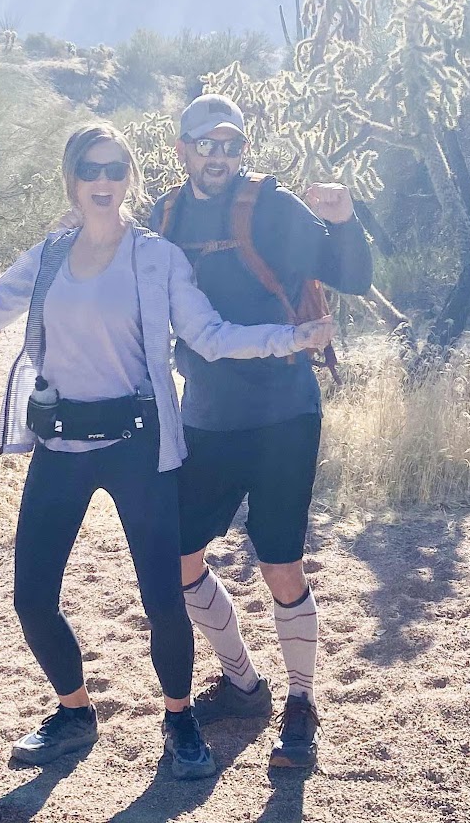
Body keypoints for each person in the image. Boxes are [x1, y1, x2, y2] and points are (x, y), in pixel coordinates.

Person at [0, 122, 333, 782]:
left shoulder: (156, 258)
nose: (103, 181)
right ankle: (75, 711)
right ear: (72, 180)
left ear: (130, 177)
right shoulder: (49, 255)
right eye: (91, 169)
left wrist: (287, 339)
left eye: (115, 169)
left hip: (138, 445)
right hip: (61, 443)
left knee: (163, 599)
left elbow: (210, 334)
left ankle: (180, 721)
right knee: (32, 598)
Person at [148, 94, 373, 772]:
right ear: (182, 149)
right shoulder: (165, 216)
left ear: (242, 151)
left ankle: (301, 704)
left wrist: (346, 219)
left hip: (283, 412)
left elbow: (352, 275)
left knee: (280, 564)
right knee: (179, 560)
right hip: (206, 414)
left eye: (231, 145)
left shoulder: (272, 206)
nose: (219, 156)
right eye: (205, 144)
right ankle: (245, 685)